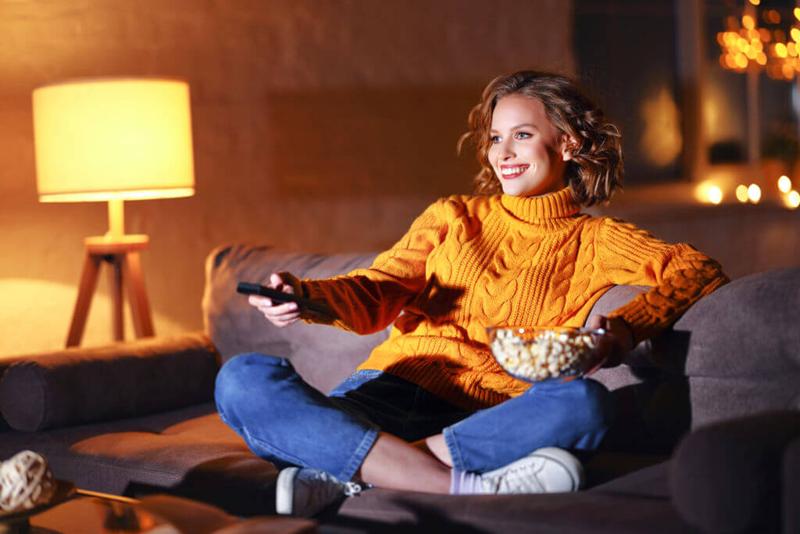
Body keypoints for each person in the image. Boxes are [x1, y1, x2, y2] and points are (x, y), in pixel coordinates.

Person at [214, 70, 729, 517]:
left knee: (585, 404)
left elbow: (696, 268)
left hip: (486, 416)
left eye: (521, 135)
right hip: (383, 395)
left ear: (568, 142)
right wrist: (305, 296)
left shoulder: (596, 240)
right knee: (241, 379)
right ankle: (460, 485)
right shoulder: (452, 216)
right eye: (495, 137)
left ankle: (347, 470)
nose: (502, 153)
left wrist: (620, 331)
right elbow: (379, 288)